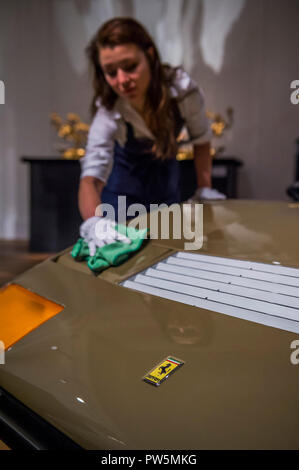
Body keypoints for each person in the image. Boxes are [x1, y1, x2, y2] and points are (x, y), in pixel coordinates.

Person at [78, 17, 225, 246]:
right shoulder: (109, 108)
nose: (122, 80)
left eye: (130, 67)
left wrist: (204, 188)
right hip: (121, 195)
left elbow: (202, 139)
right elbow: (91, 178)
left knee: (165, 249)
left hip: (165, 187)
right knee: (120, 257)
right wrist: (95, 223)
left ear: (150, 54)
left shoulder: (182, 92)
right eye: (111, 72)